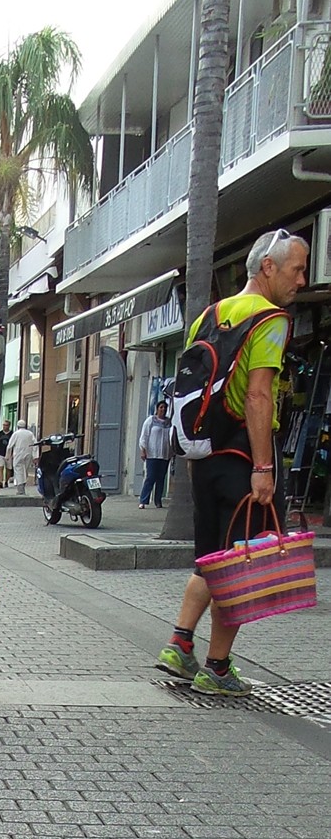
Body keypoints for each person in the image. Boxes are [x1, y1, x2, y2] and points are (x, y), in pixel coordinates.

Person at [157, 227, 309, 697]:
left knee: (211, 557)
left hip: (205, 456)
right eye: (297, 269)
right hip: (246, 456)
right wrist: (264, 468)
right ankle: (216, 668)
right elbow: (259, 395)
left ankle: (179, 645)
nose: (302, 279)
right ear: (268, 267)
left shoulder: (211, 314)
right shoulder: (270, 319)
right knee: (241, 562)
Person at [137, 399, 173, 508]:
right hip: (152, 454)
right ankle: (143, 500)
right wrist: (143, 450)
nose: (163, 409)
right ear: (157, 409)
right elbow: (144, 436)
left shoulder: (169, 422)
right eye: (161, 407)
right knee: (151, 477)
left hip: (165, 454)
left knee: (161, 478)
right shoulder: (150, 421)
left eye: (165, 408)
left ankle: (158, 501)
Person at [6, 418, 37, 493]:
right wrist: (35, 456)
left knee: (18, 470)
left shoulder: (16, 434)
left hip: (18, 454)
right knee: (25, 470)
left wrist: (7, 455)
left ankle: (20, 488)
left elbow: (10, 445)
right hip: (28, 453)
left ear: (18, 426)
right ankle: (22, 485)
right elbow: (35, 444)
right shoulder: (30, 434)